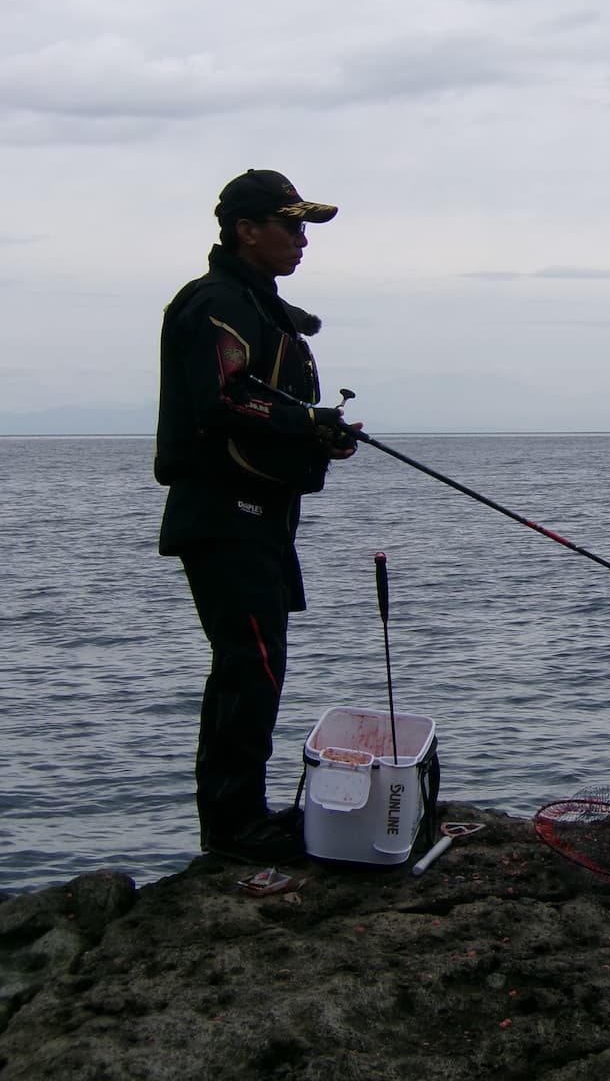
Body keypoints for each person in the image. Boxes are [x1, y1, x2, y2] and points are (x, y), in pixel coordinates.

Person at [154, 169, 363, 864]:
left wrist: (320, 433)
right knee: (250, 665)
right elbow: (222, 396)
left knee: (258, 665)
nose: (303, 241)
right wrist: (306, 421)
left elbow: (267, 412)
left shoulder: (257, 306)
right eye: (291, 225)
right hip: (223, 515)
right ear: (248, 230)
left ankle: (242, 815)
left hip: (262, 518)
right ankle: (233, 826)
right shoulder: (213, 302)